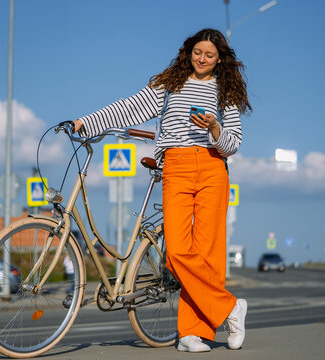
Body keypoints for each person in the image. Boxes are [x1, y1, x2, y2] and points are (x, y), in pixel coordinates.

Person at [73, 28, 250, 352]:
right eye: (198, 52)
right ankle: (229, 308)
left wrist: (213, 128)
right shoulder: (170, 84)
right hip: (177, 168)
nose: (202, 58)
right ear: (188, 51)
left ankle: (191, 334)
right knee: (178, 252)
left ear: (219, 59)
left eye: (210, 55)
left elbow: (233, 143)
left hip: (212, 168)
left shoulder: (225, 90)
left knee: (208, 255)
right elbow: (129, 108)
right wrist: (88, 121)